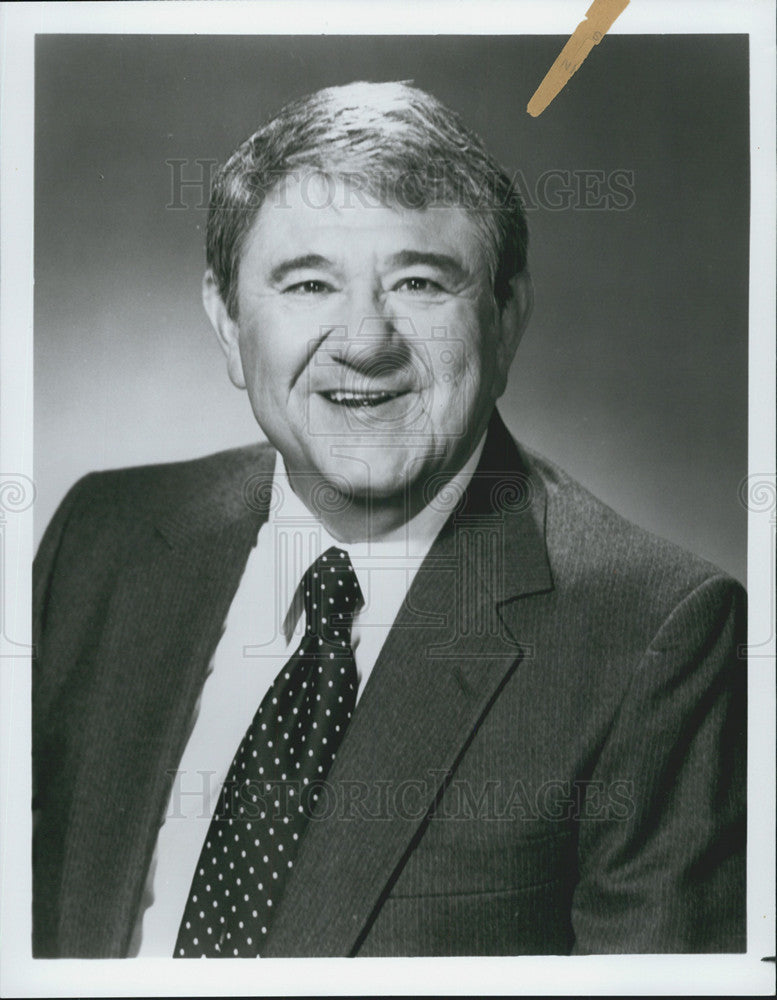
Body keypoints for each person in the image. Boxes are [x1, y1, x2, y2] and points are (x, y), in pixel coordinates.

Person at [32, 81, 746, 958]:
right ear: (226, 323)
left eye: (418, 281)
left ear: (508, 316)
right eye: (306, 283)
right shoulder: (100, 539)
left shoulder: (653, 639)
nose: (364, 341)